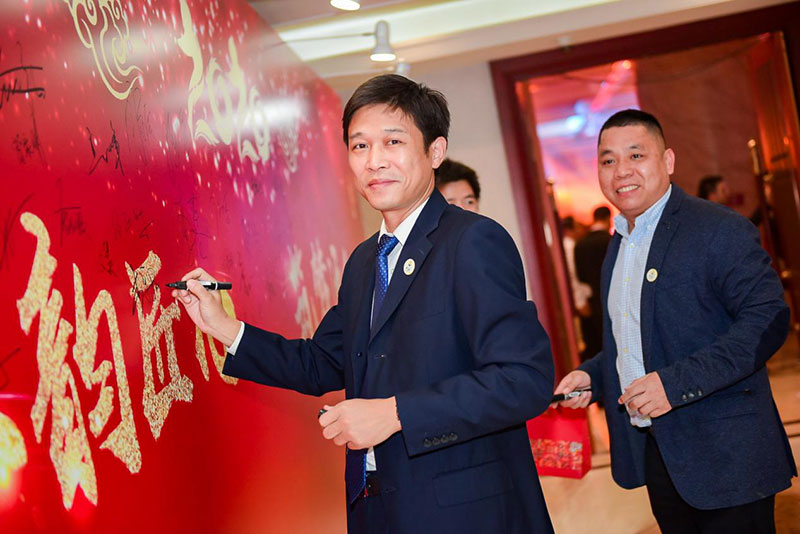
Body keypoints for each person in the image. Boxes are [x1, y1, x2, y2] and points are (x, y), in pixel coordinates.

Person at [173, 74, 555, 534]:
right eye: (359, 146)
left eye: (393, 142)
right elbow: (321, 363)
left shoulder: (472, 241)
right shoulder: (364, 262)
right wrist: (223, 327)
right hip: (379, 509)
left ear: (435, 152)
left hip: (466, 514)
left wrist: (395, 413)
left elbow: (524, 379)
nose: (374, 161)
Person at [555, 109, 796, 534]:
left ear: (667, 161)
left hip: (728, 455)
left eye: (636, 155)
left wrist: (675, 384)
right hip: (661, 455)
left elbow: (768, 319)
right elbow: (634, 338)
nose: (621, 171)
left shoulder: (718, 229)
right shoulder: (620, 243)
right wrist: (593, 375)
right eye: (609, 160)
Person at [574, 206, 612, 362]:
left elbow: (578, 277)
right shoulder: (611, 241)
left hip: (591, 303)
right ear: (608, 219)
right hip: (611, 299)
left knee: (597, 347)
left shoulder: (580, 244)